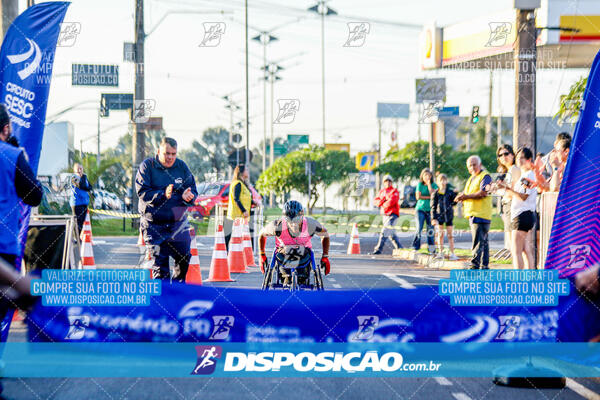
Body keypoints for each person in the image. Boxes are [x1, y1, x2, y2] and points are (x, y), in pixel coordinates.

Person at [135, 137, 198, 281]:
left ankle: (176, 292)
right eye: (166, 153)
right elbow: (143, 193)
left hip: (177, 223)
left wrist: (189, 196)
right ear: (158, 152)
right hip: (153, 225)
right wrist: (163, 194)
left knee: (184, 257)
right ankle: (163, 300)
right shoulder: (147, 166)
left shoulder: (181, 166)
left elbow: (192, 189)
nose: (170, 157)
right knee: (160, 268)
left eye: (173, 154)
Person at [0, 104, 43, 268]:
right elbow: (34, 196)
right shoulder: (13, 155)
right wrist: (22, 160)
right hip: (4, 247)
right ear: (5, 129)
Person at [258, 200, 330, 286]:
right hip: (283, 254)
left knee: (303, 274)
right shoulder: (277, 226)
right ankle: (287, 278)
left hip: (304, 254)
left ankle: (299, 278)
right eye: (289, 220)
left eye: (296, 219)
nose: (293, 224)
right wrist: (262, 255)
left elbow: (325, 234)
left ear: (302, 215)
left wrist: (325, 256)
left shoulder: (310, 224)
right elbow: (261, 234)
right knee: (286, 275)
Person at [497, 147, 537, 269]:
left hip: (522, 215)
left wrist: (508, 189)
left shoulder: (528, 175)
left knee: (516, 251)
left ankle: (518, 280)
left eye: (523, 158)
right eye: (518, 157)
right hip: (524, 214)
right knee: (525, 250)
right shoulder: (524, 175)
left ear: (529, 160)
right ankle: (530, 279)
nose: (520, 160)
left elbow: (523, 196)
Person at [455, 156, 493, 270]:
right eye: (470, 165)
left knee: (478, 242)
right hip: (474, 214)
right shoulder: (472, 178)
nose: (472, 167)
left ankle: (474, 265)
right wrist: (462, 196)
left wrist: (465, 196)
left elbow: (483, 193)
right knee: (483, 242)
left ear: (480, 164)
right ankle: (484, 266)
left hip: (481, 214)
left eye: (474, 164)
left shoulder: (485, 176)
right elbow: (469, 193)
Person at [495, 144, 520, 252]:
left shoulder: (514, 169)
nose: (503, 157)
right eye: (500, 155)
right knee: (512, 244)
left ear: (513, 155)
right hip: (507, 205)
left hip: (512, 205)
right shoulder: (507, 171)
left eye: (506, 153)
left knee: (514, 245)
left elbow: (512, 191)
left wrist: (501, 188)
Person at [225, 164, 256, 250]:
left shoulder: (243, 184)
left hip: (241, 216)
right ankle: (226, 255)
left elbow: (244, 198)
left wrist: (253, 202)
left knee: (240, 236)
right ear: (241, 172)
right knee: (230, 237)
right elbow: (236, 198)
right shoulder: (237, 184)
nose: (248, 172)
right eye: (246, 170)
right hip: (236, 215)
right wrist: (243, 210)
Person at [371, 175, 402, 254]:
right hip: (385, 215)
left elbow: (392, 202)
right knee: (391, 234)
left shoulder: (394, 191)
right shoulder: (381, 191)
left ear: (391, 182)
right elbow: (375, 202)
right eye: (386, 181)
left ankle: (378, 249)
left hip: (392, 214)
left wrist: (383, 203)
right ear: (384, 183)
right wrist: (382, 202)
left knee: (385, 231)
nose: (388, 183)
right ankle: (400, 249)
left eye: (389, 181)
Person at [431, 173, 458, 260]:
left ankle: (452, 254)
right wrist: (434, 218)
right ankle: (440, 252)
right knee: (440, 235)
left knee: (450, 235)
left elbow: (454, 203)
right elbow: (433, 207)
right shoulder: (436, 193)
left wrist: (456, 194)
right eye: (440, 180)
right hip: (440, 217)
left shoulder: (450, 192)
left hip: (449, 216)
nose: (442, 182)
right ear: (438, 182)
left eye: (444, 180)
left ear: (446, 181)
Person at [413, 168, 437, 253]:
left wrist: (429, 184)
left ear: (431, 176)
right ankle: (416, 247)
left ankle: (431, 249)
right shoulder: (420, 185)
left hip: (430, 210)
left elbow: (433, 194)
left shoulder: (434, 185)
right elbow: (418, 197)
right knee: (418, 228)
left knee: (430, 229)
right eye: (425, 175)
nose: (427, 177)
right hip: (420, 209)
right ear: (422, 176)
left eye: (429, 175)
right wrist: (429, 197)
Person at [69, 163, 93, 236]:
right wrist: (83, 178)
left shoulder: (84, 177)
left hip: (84, 202)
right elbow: (81, 186)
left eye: (81, 168)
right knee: (77, 222)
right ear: (74, 170)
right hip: (77, 203)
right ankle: (76, 237)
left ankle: (78, 236)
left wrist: (84, 179)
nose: (79, 170)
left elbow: (90, 187)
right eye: (78, 168)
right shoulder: (74, 177)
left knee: (82, 222)